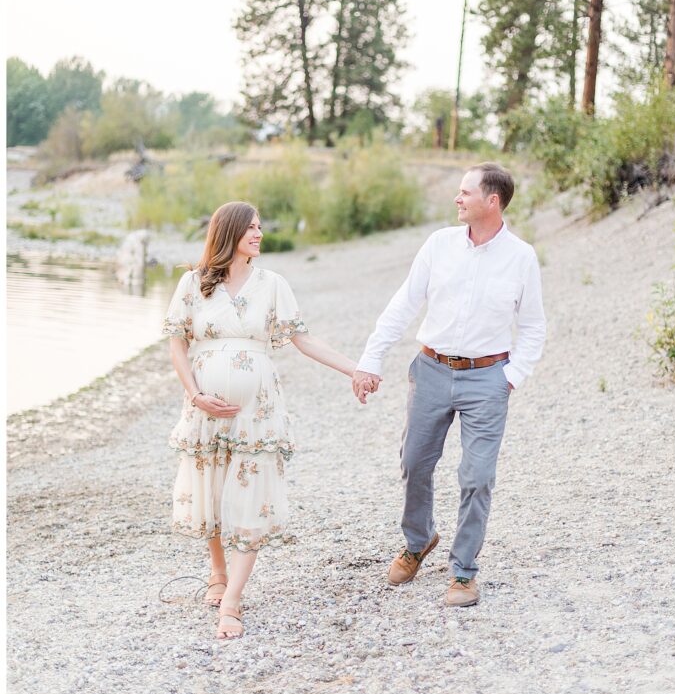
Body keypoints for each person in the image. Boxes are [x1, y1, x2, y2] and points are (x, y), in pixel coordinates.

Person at [352, 163, 546, 606]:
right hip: (432, 370)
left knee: (477, 477)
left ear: (491, 201)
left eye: (465, 192)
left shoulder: (521, 257)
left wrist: (510, 378)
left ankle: (463, 572)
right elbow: (403, 305)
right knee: (415, 462)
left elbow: (533, 327)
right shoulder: (438, 245)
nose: (457, 199)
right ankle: (418, 541)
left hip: (488, 378)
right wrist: (370, 361)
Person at [163, 200, 357, 640]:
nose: (259, 234)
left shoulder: (272, 284)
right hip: (205, 405)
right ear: (228, 232)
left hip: (259, 410)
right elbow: (177, 344)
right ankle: (217, 570)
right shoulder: (194, 283)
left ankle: (231, 600)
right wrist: (195, 395)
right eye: (250, 227)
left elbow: (303, 339)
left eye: (260, 227)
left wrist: (355, 369)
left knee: (252, 493)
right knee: (210, 488)